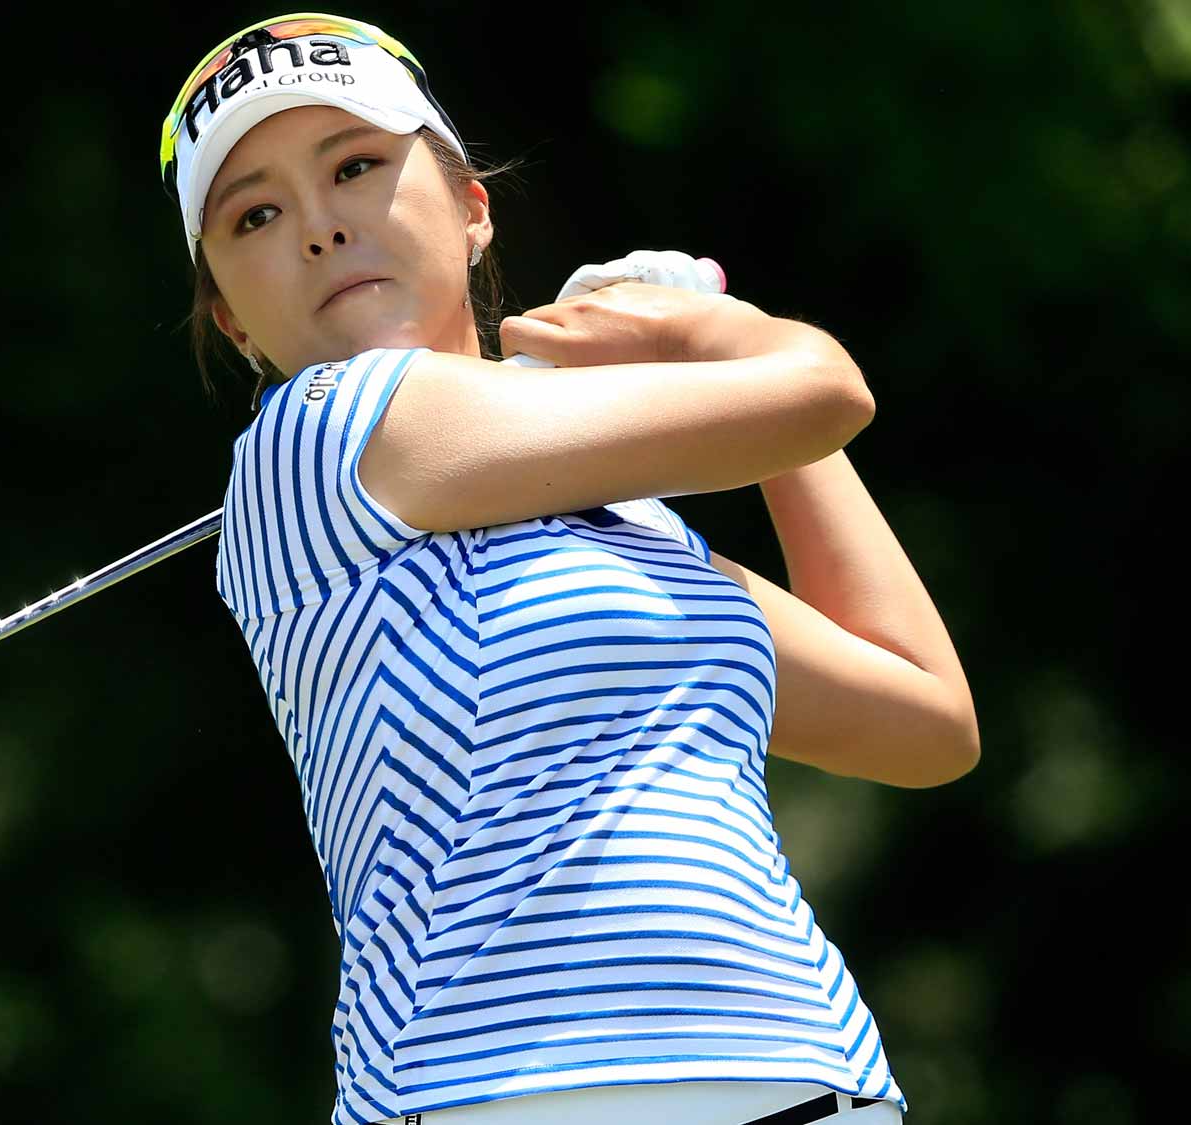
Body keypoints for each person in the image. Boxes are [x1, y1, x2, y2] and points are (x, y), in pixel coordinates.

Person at [158, 14, 979, 1125]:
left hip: (810, 1079)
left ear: (471, 211)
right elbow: (825, 385)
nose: (316, 228)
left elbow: (925, 719)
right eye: (254, 214)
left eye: (355, 165)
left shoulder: (625, 523)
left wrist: (715, 359)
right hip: (496, 1095)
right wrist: (699, 336)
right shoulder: (319, 433)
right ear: (232, 321)